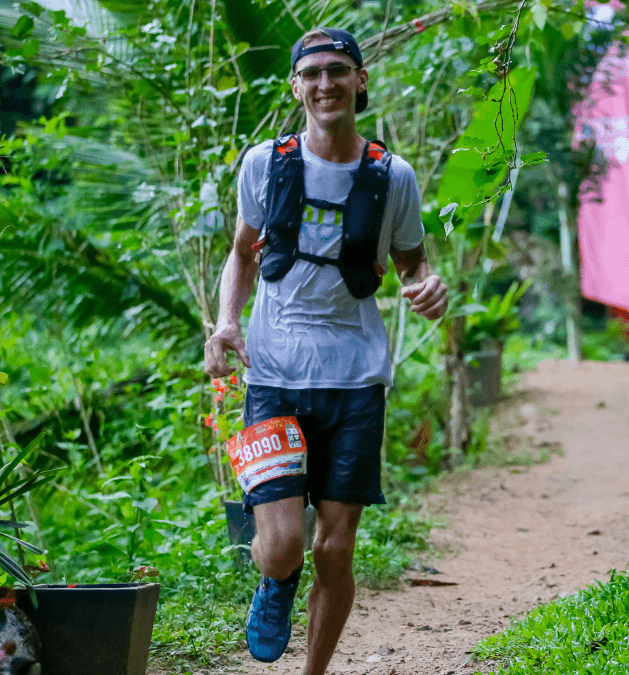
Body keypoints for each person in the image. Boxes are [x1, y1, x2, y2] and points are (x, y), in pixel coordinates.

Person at [203, 27, 447, 673]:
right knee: (282, 545)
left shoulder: (392, 176)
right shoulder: (264, 164)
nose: (325, 84)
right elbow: (240, 252)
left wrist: (426, 288)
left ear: (360, 80)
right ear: (296, 86)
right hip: (275, 374)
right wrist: (226, 321)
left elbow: (412, 263)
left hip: (356, 379)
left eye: (338, 70)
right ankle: (275, 581)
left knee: (335, 552)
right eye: (311, 73)